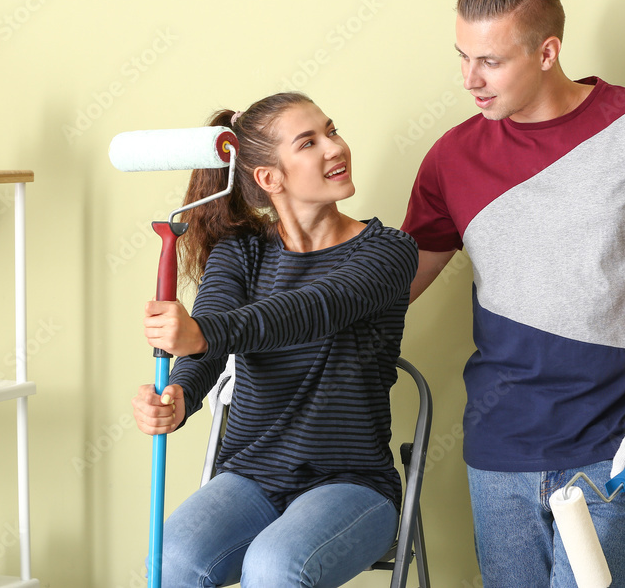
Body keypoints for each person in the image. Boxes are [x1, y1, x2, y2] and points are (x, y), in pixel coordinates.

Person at [401, 0, 625, 587]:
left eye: (491, 62)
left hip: (613, 441)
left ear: (548, 51)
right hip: (498, 449)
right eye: (463, 57)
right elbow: (391, 291)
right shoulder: (451, 157)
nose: (470, 80)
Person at [132, 92, 418, 588]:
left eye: (331, 130)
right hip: (251, 476)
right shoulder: (240, 253)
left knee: (273, 567)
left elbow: (317, 309)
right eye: (309, 142)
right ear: (270, 178)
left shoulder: (388, 252)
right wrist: (179, 396)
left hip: (352, 484)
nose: (334, 147)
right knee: (169, 559)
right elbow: (208, 348)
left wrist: (202, 333)